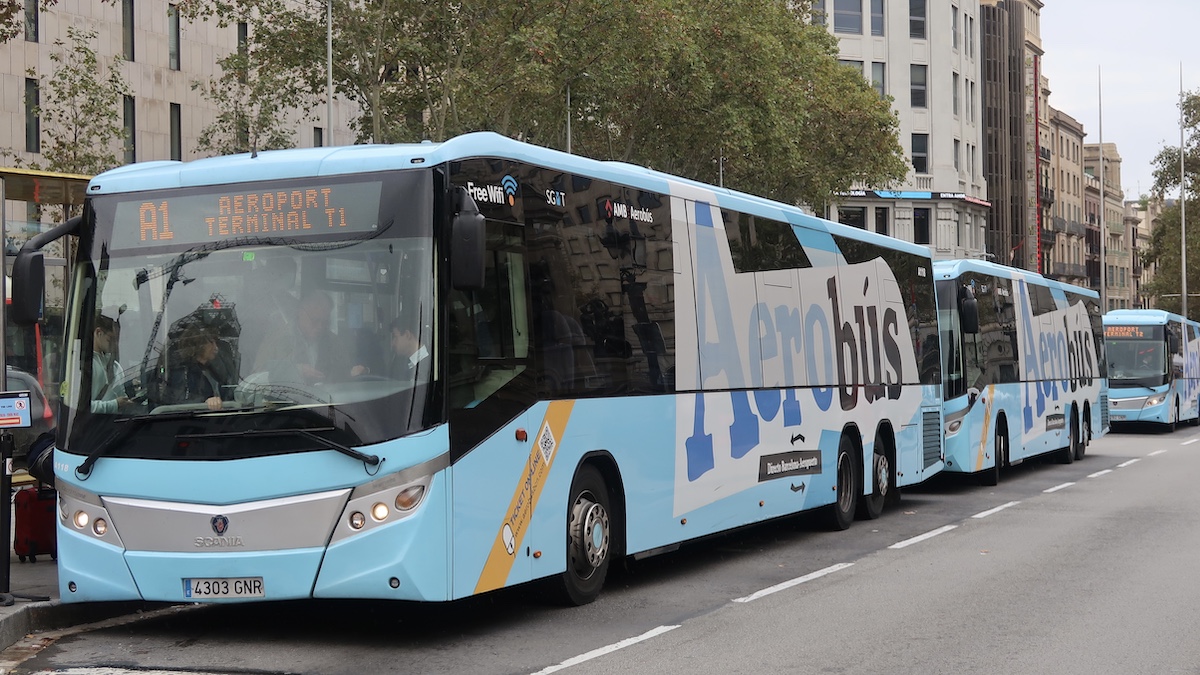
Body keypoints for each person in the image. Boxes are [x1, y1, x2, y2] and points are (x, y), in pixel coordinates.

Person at [253, 290, 360, 384]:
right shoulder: (277, 338)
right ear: (300, 313)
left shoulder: (334, 342)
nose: (320, 327)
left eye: (325, 322)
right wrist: (296, 371)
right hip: (287, 403)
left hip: (327, 404)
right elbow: (256, 377)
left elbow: (345, 375)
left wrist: (354, 372)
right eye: (315, 321)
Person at [161, 325, 231, 410]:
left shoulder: (211, 369)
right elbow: (178, 402)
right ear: (199, 344)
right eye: (212, 342)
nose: (216, 347)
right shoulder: (182, 372)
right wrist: (205, 403)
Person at [92, 309, 131, 414]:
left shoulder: (115, 367)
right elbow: (80, 407)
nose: (114, 344)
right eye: (111, 339)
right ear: (98, 333)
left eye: (117, 340)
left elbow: (120, 395)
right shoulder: (84, 366)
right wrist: (115, 404)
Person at [388, 316, 431, 383]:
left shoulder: (432, 363)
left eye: (395, 337)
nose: (392, 343)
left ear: (407, 335)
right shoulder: (398, 362)